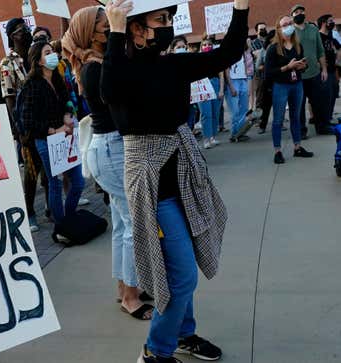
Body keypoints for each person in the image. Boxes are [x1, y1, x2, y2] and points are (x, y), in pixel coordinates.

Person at [101, 0, 250, 361]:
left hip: (184, 182)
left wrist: (241, 9)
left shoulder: (175, 66)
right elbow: (111, 92)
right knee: (182, 275)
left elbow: (228, 52)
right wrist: (115, 30)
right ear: (137, 29)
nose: (169, 24)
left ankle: (184, 333)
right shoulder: (115, 69)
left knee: (184, 268)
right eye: (160, 19)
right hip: (154, 190)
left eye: (170, 17)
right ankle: (156, 350)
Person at [62, 5, 152, 320]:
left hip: (109, 148)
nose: (112, 25)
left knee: (121, 224)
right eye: (105, 23)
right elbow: (121, 103)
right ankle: (130, 295)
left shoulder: (98, 63)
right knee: (133, 225)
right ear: (91, 31)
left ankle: (126, 288)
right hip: (112, 148)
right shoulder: (95, 68)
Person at [21, 40, 85, 228]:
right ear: (39, 61)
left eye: (52, 51)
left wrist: (67, 114)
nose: (53, 55)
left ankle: (69, 216)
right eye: (47, 52)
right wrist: (53, 130)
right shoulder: (31, 84)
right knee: (55, 184)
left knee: (79, 182)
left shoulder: (57, 77)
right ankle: (61, 225)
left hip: (65, 136)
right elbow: (28, 121)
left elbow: (67, 99)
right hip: (46, 141)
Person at [0, 17, 49, 232]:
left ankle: (51, 207)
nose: (27, 33)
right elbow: (9, 99)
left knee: (49, 169)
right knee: (31, 171)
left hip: (45, 119)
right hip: (26, 124)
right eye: (22, 30)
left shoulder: (34, 55)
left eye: (27, 28)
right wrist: (19, 130)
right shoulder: (7, 63)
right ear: (12, 36)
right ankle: (29, 211)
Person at [265, 15, 315, 164]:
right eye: (285, 24)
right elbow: (268, 73)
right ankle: (278, 151)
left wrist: (302, 66)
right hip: (281, 86)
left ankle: (297, 147)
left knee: (296, 117)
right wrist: (287, 67)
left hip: (297, 84)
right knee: (278, 120)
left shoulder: (298, 46)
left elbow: (302, 67)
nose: (288, 26)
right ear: (278, 29)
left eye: (290, 23)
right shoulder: (273, 49)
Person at [291, 4, 332, 136]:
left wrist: (324, 69)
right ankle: (302, 131)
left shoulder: (313, 29)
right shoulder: (290, 31)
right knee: (299, 105)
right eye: (296, 12)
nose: (299, 13)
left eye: (301, 11)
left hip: (315, 73)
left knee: (318, 103)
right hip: (298, 75)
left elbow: (320, 51)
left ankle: (322, 128)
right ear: (292, 16)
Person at [197, 38, 225, 149]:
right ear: (201, 47)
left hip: (215, 83)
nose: (207, 46)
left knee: (215, 113)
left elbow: (221, 74)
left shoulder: (216, 58)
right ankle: (206, 139)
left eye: (209, 44)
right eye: (204, 44)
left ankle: (213, 137)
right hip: (202, 85)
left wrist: (221, 89)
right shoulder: (197, 59)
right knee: (206, 113)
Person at [318, 14, 340, 122]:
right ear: (323, 23)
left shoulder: (331, 36)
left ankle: (329, 117)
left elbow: (339, 48)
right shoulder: (318, 36)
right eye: (330, 21)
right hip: (323, 71)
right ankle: (324, 119)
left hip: (333, 69)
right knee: (325, 96)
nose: (332, 23)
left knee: (334, 94)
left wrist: (337, 60)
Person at [256, 30, 277, 134]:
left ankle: (279, 124)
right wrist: (267, 67)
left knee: (278, 103)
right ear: (271, 38)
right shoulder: (263, 51)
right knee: (266, 105)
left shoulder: (281, 49)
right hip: (266, 81)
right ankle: (262, 125)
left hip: (278, 80)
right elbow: (257, 66)